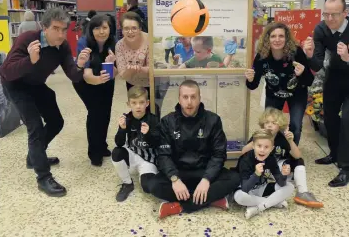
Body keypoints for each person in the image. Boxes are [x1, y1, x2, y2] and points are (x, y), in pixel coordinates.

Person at [0, 8, 91, 197]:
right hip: (16, 86)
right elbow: (6, 71)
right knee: (35, 127)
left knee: (56, 121)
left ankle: (35, 156)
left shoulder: (62, 46)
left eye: (64, 29)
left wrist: (80, 64)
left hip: (36, 84)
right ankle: (43, 178)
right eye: (56, 29)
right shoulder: (27, 39)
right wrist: (30, 60)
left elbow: (73, 75)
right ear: (44, 28)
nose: (61, 34)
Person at [303, 0, 349, 187]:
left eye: (334, 15)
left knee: (348, 119)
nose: (329, 19)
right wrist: (310, 55)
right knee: (330, 118)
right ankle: (334, 154)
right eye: (325, 14)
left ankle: (347, 168)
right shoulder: (321, 29)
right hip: (334, 77)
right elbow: (318, 65)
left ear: (346, 13)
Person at [149, 80, 240, 218]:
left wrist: (206, 180)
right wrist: (174, 179)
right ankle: (210, 200)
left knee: (234, 178)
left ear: (199, 98)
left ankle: (179, 206)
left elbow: (219, 154)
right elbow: (163, 155)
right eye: (185, 97)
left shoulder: (213, 120)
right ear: (179, 99)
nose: (189, 101)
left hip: (204, 171)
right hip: (179, 172)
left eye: (193, 97)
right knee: (153, 184)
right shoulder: (167, 122)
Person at [245, 23, 314, 145]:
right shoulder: (262, 56)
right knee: (270, 125)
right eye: (273, 36)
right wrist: (250, 79)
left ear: (286, 38)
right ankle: (270, 150)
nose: (277, 39)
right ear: (267, 38)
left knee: (295, 126)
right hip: (274, 94)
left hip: (297, 94)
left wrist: (303, 73)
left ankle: (292, 154)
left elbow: (309, 81)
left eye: (281, 36)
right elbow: (253, 85)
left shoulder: (296, 52)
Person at [241, 108, 323, 209]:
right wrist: (255, 139)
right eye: (267, 122)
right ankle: (270, 196)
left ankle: (302, 192)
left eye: (274, 123)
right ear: (263, 124)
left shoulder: (282, 137)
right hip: (264, 167)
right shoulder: (260, 136)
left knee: (299, 161)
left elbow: (298, 156)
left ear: (280, 125)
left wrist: (290, 141)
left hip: (279, 168)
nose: (270, 125)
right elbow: (243, 151)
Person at [73, 15, 117, 166]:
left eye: (105, 27)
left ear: (110, 29)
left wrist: (111, 65)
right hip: (86, 82)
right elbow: (86, 75)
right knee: (95, 114)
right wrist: (100, 80)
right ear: (91, 29)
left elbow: (115, 73)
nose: (101, 32)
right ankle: (94, 152)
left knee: (105, 113)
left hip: (106, 80)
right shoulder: (84, 43)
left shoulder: (113, 42)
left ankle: (102, 145)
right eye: (97, 28)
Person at [112, 86, 160, 202]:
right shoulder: (126, 119)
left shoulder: (153, 120)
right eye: (134, 103)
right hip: (133, 155)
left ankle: (149, 174)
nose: (138, 106)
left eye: (141, 102)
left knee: (147, 187)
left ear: (147, 103)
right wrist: (122, 129)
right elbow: (119, 143)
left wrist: (148, 134)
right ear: (128, 104)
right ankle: (127, 183)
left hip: (148, 159)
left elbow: (158, 144)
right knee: (116, 152)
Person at [234, 130, 294, 219]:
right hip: (247, 191)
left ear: (271, 149)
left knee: (289, 186)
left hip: (262, 188)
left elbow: (281, 183)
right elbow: (245, 188)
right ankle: (274, 203)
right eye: (259, 146)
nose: (262, 150)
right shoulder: (245, 160)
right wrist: (256, 174)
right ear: (253, 146)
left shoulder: (271, 159)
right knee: (239, 197)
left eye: (266, 147)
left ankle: (258, 208)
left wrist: (284, 174)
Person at [116, 12, 149, 93]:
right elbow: (122, 74)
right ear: (122, 30)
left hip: (153, 83)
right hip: (132, 82)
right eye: (126, 28)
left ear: (140, 28)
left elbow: (153, 68)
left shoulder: (150, 40)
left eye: (134, 28)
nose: (130, 32)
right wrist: (130, 70)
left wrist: (139, 69)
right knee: (135, 105)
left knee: (153, 106)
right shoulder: (119, 45)